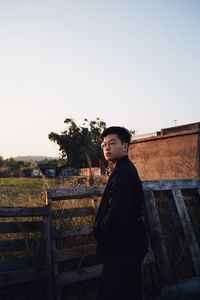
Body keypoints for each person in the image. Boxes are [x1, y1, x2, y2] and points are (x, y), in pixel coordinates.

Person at [93, 126, 149, 300]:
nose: (106, 148)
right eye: (103, 145)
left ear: (125, 147)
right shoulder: (124, 169)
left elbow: (117, 214)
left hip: (122, 249)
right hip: (129, 245)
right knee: (129, 291)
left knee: (111, 293)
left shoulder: (123, 173)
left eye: (112, 143)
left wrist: (100, 230)